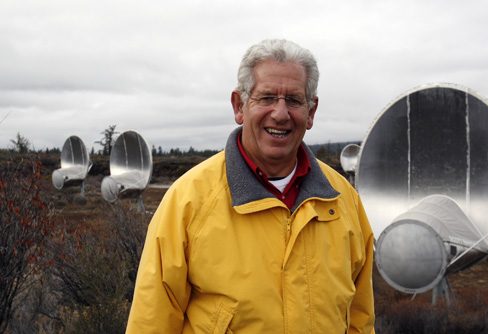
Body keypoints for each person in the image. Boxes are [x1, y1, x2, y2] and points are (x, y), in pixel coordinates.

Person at [126, 39, 375, 333]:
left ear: (311, 112)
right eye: (266, 97)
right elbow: (151, 322)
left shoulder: (342, 200)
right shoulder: (188, 202)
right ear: (239, 105)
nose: (280, 114)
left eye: (294, 100)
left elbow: (360, 319)